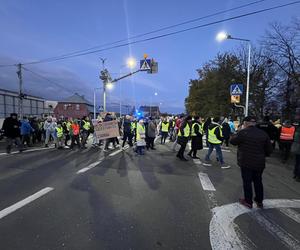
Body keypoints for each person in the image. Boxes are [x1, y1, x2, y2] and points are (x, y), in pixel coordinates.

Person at [230, 116, 273, 209]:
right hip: (259, 162)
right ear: (254, 123)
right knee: (258, 181)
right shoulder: (263, 133)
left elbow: (232, 141)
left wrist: (238, 131)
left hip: (246, 162)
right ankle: (259, 201)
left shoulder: (243, 133)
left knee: (247, 182)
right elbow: (269, 150)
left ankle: (248, 201)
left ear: (245, 123)